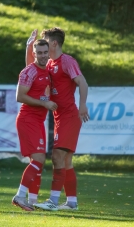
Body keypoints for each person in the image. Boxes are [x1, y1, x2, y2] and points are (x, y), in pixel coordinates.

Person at [26, 27, 89, 211]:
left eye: (45, 40)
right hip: (59, 116)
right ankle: (71, 202)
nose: (43, 43)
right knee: (66, 161)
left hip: (69, 116)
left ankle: (53, 201)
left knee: (57, 156)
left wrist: (83, 105)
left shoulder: (67, 61)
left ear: (54, 43)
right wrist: (29, 46)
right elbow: (30, 67)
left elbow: (82, 82)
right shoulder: (50, 64)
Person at [12, 38, 58, 211]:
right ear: (34, 54)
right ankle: (19, 196)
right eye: (39, 53)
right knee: (38, 160)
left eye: (45, 52)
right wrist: (44, 103)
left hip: (38, 121)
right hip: (28, 119)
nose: (43, 55)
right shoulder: (29, 71)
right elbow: (20, 96)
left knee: (38, 161)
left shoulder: (47, 69)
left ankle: (32, 201)